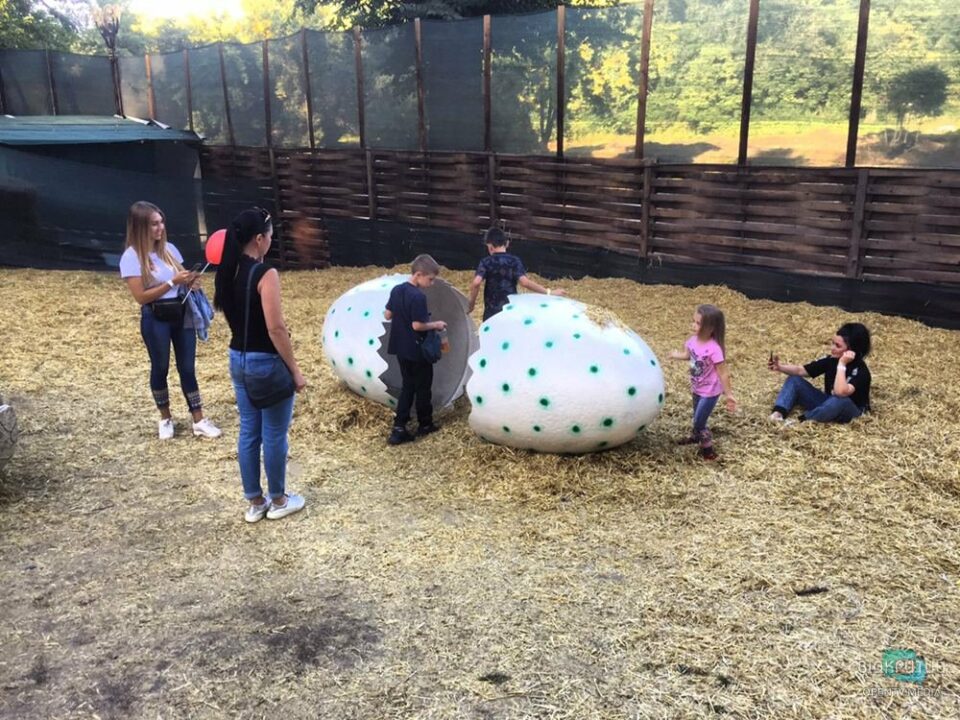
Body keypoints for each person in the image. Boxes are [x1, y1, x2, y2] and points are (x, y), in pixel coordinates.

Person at [213, 207, 307, 523]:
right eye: (270, 235)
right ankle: (279, 498)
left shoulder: (228, 271)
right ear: (259, 239)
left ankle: (255, 501)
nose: (271, 240)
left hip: (237, 359)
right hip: (265, 362)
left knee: (249, 431)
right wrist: (294, 369)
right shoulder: (265, 274)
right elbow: (275, 328)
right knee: (275, 433)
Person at [120, 201, 222, 441]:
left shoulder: (170, 250)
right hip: (155, 316)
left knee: (187, 367)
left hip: (181, 313)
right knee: (161, 366)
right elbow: (140, 297)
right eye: (154, 224)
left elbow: (181, 278)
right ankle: (165, 418)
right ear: (141, 227)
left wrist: (190, 281)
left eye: (161, 222)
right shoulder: (131, 257)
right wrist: (171, 283)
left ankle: (198, 419)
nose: (160, 228)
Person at [384, 254, 447, 445]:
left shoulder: (397, 290)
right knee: (423, 387)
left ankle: (399, 427)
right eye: (430, 279)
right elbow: (417, 326)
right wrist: (436, 324)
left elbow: (387, 315)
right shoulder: (418, 296)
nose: (432, 283)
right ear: (418, 274)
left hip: (400, 348)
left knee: (407, 386)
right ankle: (425, 424)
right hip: (417, 349)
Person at [668, 304, 737, 460]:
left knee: (700, 421)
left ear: (711, 328)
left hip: (710, 391)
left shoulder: (714, 349)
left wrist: (729, 394)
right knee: (697, 415)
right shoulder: (692, 341)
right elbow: (688, 355)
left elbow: (723, 373)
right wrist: (676, 355)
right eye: (693, 321)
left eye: (698, 323)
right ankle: (696, 436)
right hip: (697, 387)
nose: (693, 325)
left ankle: (708, 450)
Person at [768, 322, 872, 425]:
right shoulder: (830, 360)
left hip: (850, 411)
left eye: (837, 346)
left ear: (851, 351)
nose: (832, 348)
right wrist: (780, 367)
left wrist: (842, 364)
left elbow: (840, 392)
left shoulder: (861, 371)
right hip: (828, 403)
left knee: (839, 401)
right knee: (794, 380)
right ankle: (778, 414)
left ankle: (801, 422)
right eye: (833, 343)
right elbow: (801, 370)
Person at [467, 227, 565, 321]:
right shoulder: (514, 261)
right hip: (509, 310)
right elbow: (525, 282)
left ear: (490, 246)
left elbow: (476, 283)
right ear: (507, 243)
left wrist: (471, 304)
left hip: (491, 314)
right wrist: (549, 292)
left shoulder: (486, 262)